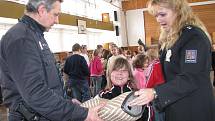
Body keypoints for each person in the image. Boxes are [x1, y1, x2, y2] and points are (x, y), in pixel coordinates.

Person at [0, 0, 103, 121]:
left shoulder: (34, 35)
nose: (57, 20)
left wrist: (67, 101)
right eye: (56, 14)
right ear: (42, 10)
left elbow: (48, 82)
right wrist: (82, 114)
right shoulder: (21, 39)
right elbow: (35, 93)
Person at [129, 0, 215, 121]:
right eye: (156, 16)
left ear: (179, 11)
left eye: (162, 14)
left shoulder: (193, 37)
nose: (158, 20)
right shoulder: (173, 38)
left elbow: (191, 77)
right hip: (175, 106)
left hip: (192, 108)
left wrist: (155, 92)